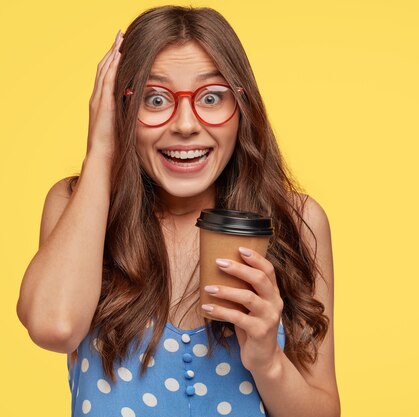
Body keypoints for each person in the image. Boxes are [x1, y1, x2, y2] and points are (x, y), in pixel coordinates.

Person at [16, 5, 339, 417]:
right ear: (121, 110)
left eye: (210, 97)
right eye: (154, 98)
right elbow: (53, 326)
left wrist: (267, 362)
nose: (185, 124)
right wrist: (100, 151)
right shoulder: (78, 205)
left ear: (242, 107)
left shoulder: (296, 220)